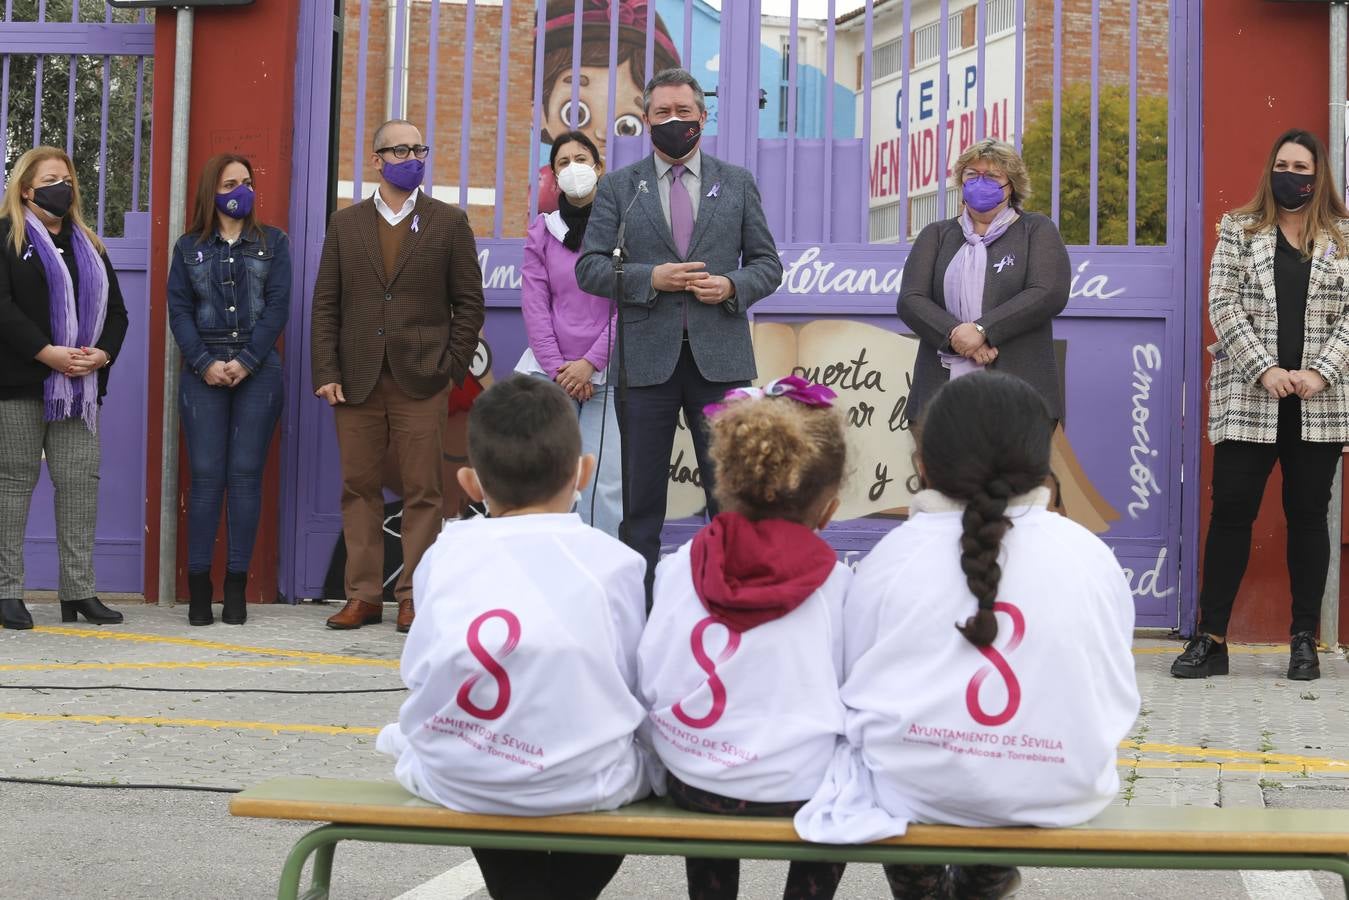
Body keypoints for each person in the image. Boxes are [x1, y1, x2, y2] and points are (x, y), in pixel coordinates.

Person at [795, 373, 1139, 900]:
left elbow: (851, 690)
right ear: (1043, 463)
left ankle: (922, 891)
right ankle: (982, 884)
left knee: (883, 763)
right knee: (983, 783)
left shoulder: (892, 557)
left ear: (924, 465)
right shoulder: (1090, 554)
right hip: (1062, 788)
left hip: (913, 788)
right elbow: (1114, 688)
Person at [377, 375, 654, 900]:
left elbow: (418, 671)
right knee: (635, 760)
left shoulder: (444, 553)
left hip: (462, 776)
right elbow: (634, 681)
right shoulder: (615, 561)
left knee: (438, 748)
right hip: (584, 781)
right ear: (583, 473)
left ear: (471, 484)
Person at [638, 375, 850, 900]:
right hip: (801, 786)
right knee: (852, 767)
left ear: (725, 482)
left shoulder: (680, 564)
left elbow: (652, 673)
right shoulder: (837, 583)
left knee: (706, 760)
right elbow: (856, 693)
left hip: (695, 781)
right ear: (829, 508)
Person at [577, 68, 784, 601]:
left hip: (721, 362)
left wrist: (731, 286)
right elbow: (590, 268)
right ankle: (638, 610)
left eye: (683, 112)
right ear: (645, 120)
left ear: (702, 117)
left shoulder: (735, 182)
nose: (674, 122)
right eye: (662, 113)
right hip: (644, 364)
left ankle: (732, 600)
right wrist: (651, 278)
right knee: (641, 504)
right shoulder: (621, 187)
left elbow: (767, 264)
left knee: (730, 495)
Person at [1172, 128, 1349, 683]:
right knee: (1230, 515)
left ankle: (1303, 641)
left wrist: (1320, 372)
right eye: (1282, 163)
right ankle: (1212, 638)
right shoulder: (1238, 228)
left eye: (1301, 166)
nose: (1290, 174)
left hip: (1318, 403)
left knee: (1307, 519)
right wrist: (1265, 369)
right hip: (1249, 397)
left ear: (1318, 176)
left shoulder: (1344, 236)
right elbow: (1221, 303)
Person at [311, 119, 486, 634]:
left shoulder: (448, 222)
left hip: (422, 380)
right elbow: (327, 305)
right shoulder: (345, 225)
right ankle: (363, 595)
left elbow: (468, 303)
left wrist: (450, 366)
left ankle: (414, 596)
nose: (413, 157)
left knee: (423, 491)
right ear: (378, 159)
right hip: (356, 379)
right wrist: (327, 370)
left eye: (419, 148)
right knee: (358, 487)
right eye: (401, 149)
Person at [0, 146, 129, 630]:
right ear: (27, 189)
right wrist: (46, 352)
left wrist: (103, 353)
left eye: (68, 179)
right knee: (12, 487)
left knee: (79, 486)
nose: (63, 187)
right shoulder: (6, 237)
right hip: (17, 383)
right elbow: (3, 307)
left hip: (79, 388)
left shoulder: (89, 245)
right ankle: (6, 591)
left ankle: (78, 592)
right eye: (52, 179)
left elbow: (117, 313)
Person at [167, 154, 290, 626]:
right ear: (211, 192)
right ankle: (200, 591)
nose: (241, 190)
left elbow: (278, 305)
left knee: (245, 476)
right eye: (230, 182)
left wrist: (245, 360)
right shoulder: (188, 248)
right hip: (204, 370)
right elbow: (179, 310)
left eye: (247, 181)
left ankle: (235, 589)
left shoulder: (273, 242)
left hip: (257, 368)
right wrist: (204, 362)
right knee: (205, 478)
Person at [898, 139, 1071, 426]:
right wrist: (957, 336)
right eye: (971, 175)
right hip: (939, 398)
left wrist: (983, 330)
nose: (980, 183)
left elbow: (1048, 291)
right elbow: (911, 299)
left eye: (991, 176)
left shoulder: (1035, 230)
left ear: (1011, 185)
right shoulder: (937, 235)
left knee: (1014, 472)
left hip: (1020, 397)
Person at [516, 130, 621, 537]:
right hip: (550, 375)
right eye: (563, 162)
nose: (574, 168)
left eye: (582, 159)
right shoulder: (542, 231)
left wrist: (590, 363)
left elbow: (629, 304)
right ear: (553, 176)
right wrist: (561, 368)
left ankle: (601, 581)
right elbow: (535, 304)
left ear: (599, 168)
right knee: (545, 481)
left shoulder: (624, 230)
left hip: (609, 375)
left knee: (602, 486)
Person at [534, 0, 680, 214]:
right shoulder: (545, 188)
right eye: (577, 113)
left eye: (627, 126)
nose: (602, 134)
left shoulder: (645, 186)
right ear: (537, 112)